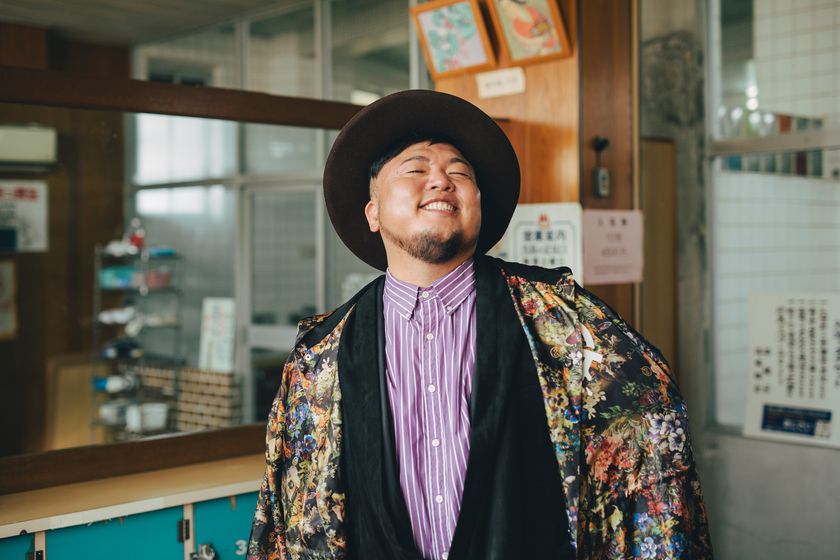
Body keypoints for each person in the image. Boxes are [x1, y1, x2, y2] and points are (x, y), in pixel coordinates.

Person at [247, 90, 712, 560]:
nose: (441, 181)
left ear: (479, 206)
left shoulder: (568, 323)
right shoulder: (321, 355)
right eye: (415, 170)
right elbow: (288, 516)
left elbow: (653, 446)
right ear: (373, 212)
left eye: (460, 173)